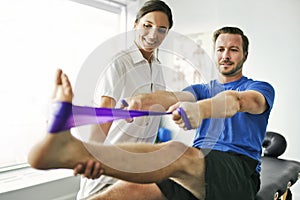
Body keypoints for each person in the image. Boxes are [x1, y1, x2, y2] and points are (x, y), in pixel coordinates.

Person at [28, 26, 275, 200]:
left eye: (233, 50)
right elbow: (172, 97)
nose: (225, 55)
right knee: (126, 190)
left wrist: (199, 110)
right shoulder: (202, 89)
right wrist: (139, 101)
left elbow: (237, 101)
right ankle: (73, 150)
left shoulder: (259, 88)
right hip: (199, 169)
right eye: (220, 49)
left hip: (238, 172)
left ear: (244, 54)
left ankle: (74, 151)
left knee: (175, 152)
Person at [75, 0, 173, 199]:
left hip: (139, 166)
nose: (153, 34)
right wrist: (90, 157)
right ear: (135, 25)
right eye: (147, 25)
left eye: (162, 29)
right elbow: (104, 111)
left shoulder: (158, 68)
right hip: (110, 162)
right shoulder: (119, 62)